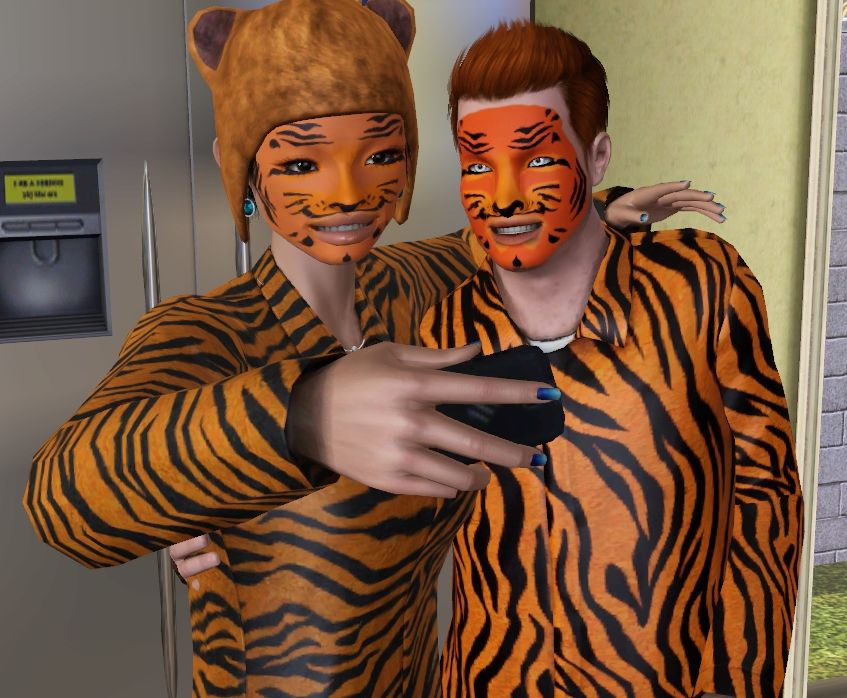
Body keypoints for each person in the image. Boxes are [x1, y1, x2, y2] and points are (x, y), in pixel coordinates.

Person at [23, 1, 722, 696]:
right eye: (302, 162)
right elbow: (62, 498)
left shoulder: (406, 286)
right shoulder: (211, 332)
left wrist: (599, 214)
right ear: (240, 167)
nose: (349, 193)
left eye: (381, 155)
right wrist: (302, 414)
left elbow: (473, 246)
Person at [412, 20, 803, 698]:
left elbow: (765, 497)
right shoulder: (446, 327)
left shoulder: (701, 286)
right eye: (477, 164)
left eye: (536, 159)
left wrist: (737, 681)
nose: (501, 194)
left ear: (596, 158)